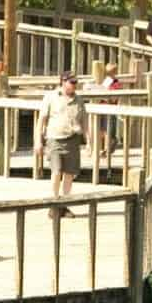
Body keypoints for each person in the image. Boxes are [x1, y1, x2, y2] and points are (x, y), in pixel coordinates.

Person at [35, 73, 87, 219]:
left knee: (69, 174)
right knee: (56, 172)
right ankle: (54, 203)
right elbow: (41, 120)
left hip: (73, 139)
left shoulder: (79, 100)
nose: (74, 85)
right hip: (54, 138)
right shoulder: (51, 97)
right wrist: (38, 141)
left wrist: (89, 142)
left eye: (76, 82)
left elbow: (85, 122)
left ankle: (64, 204)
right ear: (63, 82)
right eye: (72, 82)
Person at [95, 63, 124, 157]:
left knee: (108, 130)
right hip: (101, 108)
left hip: (110, 109)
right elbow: (100, 90)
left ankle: (107, 149)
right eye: (107, 73)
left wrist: (106, 96)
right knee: (100, 130)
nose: (108, 75)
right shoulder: (105, 81)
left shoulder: (116, 83)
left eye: (110, 73)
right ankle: (101, 149)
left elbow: (114, 98)